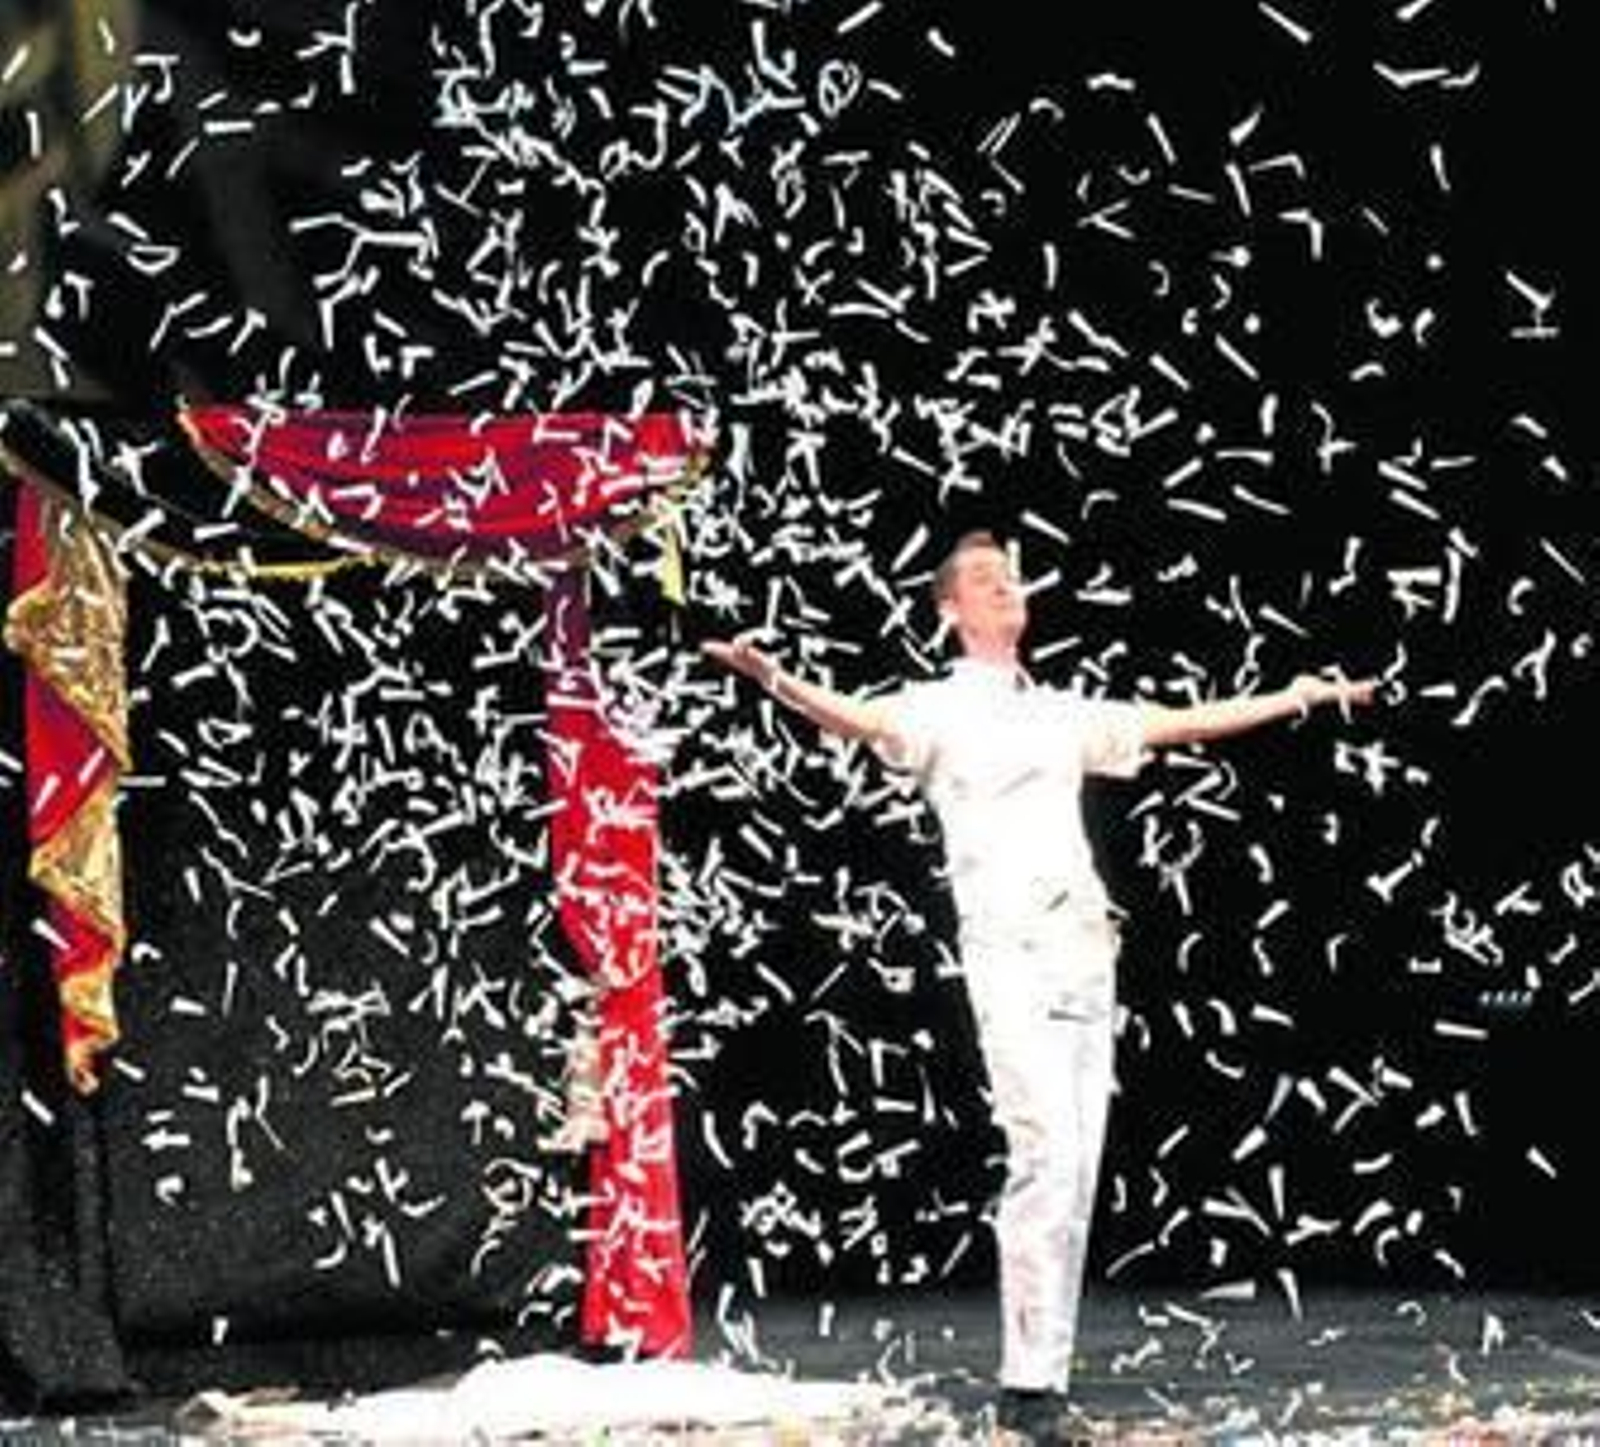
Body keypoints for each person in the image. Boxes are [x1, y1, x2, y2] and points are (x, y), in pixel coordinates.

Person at [702, 529, 1376, 1442]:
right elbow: (859, 720)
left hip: (1083, 947)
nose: (1005, 586)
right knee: (1045, 1155)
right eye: (984, 579)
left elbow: (1176, 720)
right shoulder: (939, 706)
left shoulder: (1058, 711)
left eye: (1009, 576)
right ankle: (1027, 1381)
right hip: (1009, 950)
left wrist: (1294, 696)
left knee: (1077, 1165)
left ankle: (1040, 1378)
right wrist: (773, 677)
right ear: (950, 609)